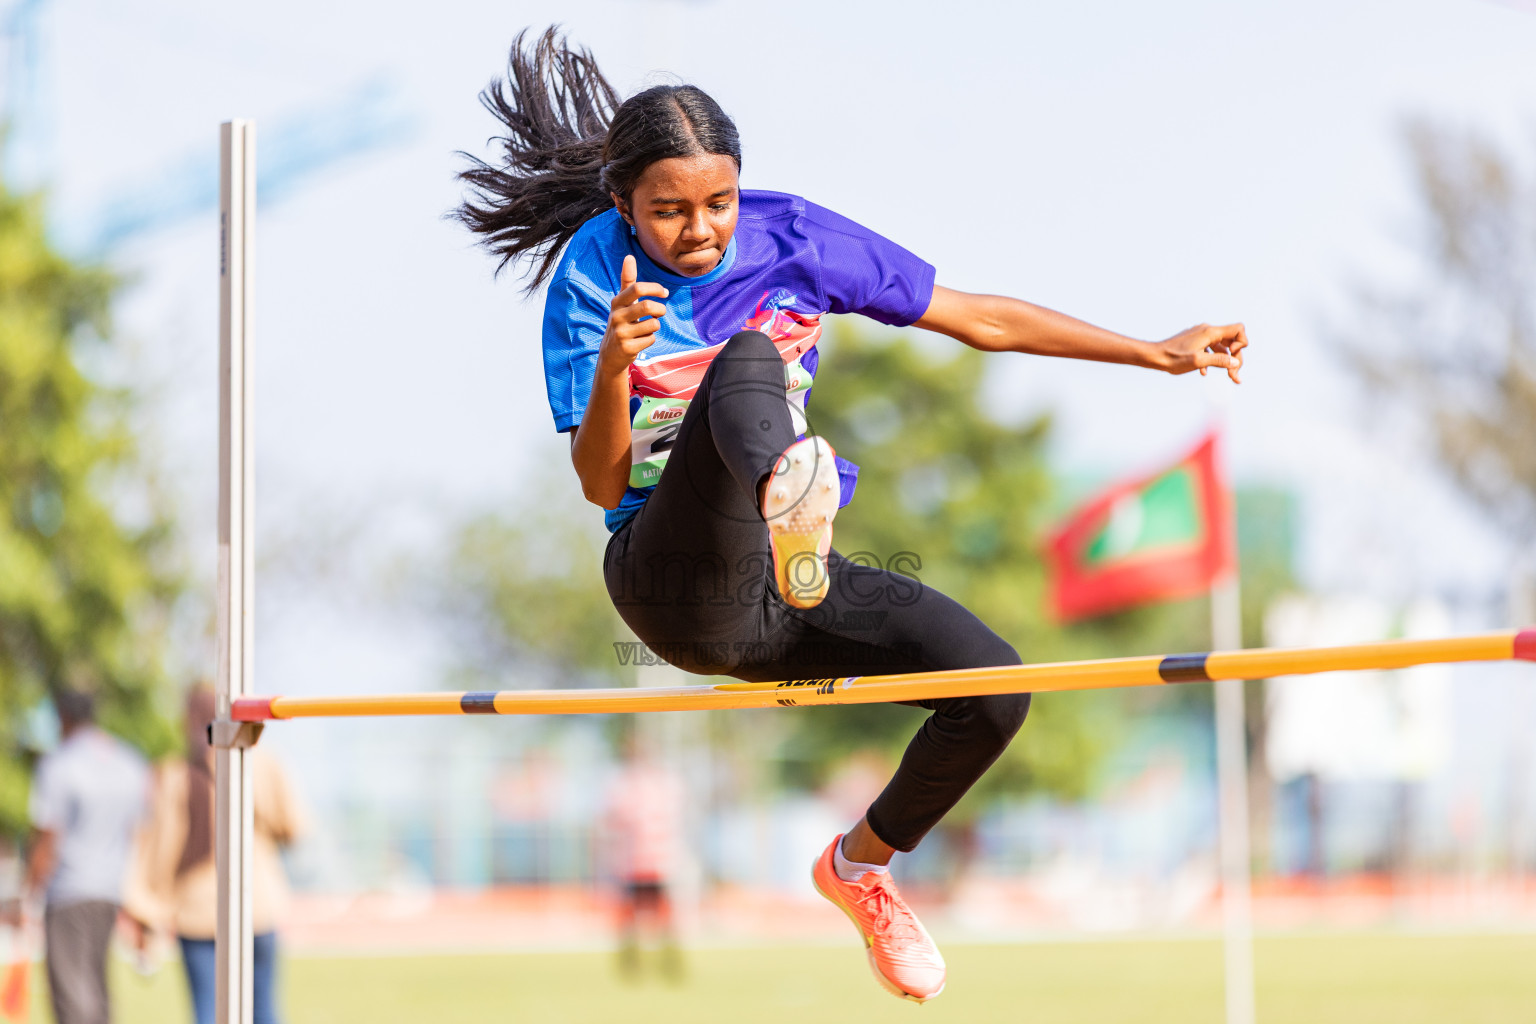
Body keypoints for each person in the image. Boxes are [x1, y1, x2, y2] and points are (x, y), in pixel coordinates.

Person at [456, 28, 1248, 1003]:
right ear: (624, 203)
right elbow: (598, 479)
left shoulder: (795, 235)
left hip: (784, 595)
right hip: (669, 579)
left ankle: (859, 867)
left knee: (997, 685)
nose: (700, 231)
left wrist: (1154, 352)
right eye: (668, 213)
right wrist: (618, 361)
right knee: (748, 365)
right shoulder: (595, 275)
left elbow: (976, 316)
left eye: (718, 203)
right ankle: (792, 494)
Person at [123, 685, 302, 1024]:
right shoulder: (262, 763)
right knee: (263, 1009)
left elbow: (161, 852)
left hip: (198, 911)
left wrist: (147, 908)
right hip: (255, 904)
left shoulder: (175, 775)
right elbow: (293, 826)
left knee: (208, 1011)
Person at [22, 690, 149, 1024]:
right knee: (95, 986)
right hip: (110, 891)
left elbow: (49, 837)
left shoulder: (58, 765)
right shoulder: (129, 762)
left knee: (72, 994)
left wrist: (28, 892)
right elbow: (139, 833)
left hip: (68, 893)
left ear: (63, 717)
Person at [602, 730, 685, 982]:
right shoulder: (626, 783)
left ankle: (669, 963)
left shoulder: (662, 782)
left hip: (657, 860)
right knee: (630, 917)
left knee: (663, 916)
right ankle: (633, 963)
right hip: (634, 862)